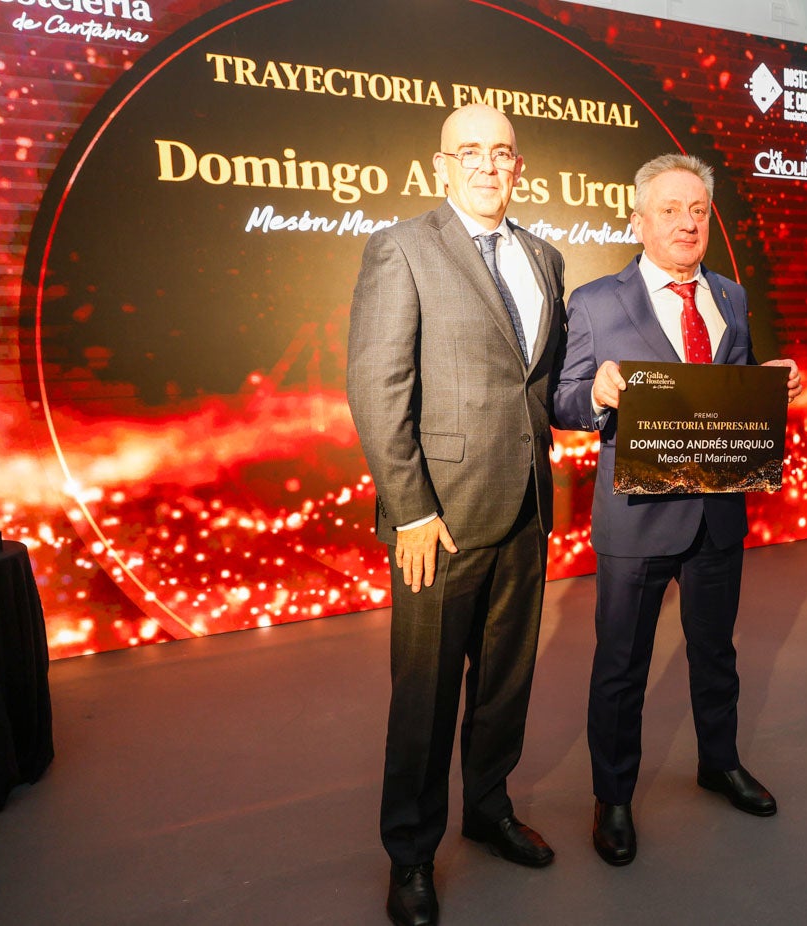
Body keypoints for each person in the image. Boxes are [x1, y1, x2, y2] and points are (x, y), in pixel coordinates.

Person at [346, 105, 566, 926]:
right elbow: (377, 386)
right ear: (440, 165)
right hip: (436, 520)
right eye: (468, 151)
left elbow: (543, 385)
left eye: (501, 152)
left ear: (518, 166)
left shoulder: (544, 256)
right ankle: (409, 855)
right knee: (426, 695)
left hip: (525, 508)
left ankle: (488, 807)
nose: (486, 164)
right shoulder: (401, 247)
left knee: (506, 683)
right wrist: (408, 512)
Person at [553, 153, 802, 867]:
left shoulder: (728, 293)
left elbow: (729, 394)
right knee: (622, 664)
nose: (686, 223)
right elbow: (563, 401)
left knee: (716, 652)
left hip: (716, 513)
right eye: (669, 209)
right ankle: (614, 797)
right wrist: (595, 394)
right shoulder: (598, 301)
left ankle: (717, 763)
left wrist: (768, 385)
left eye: (696, 210)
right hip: (635, 516)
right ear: (637, 220)